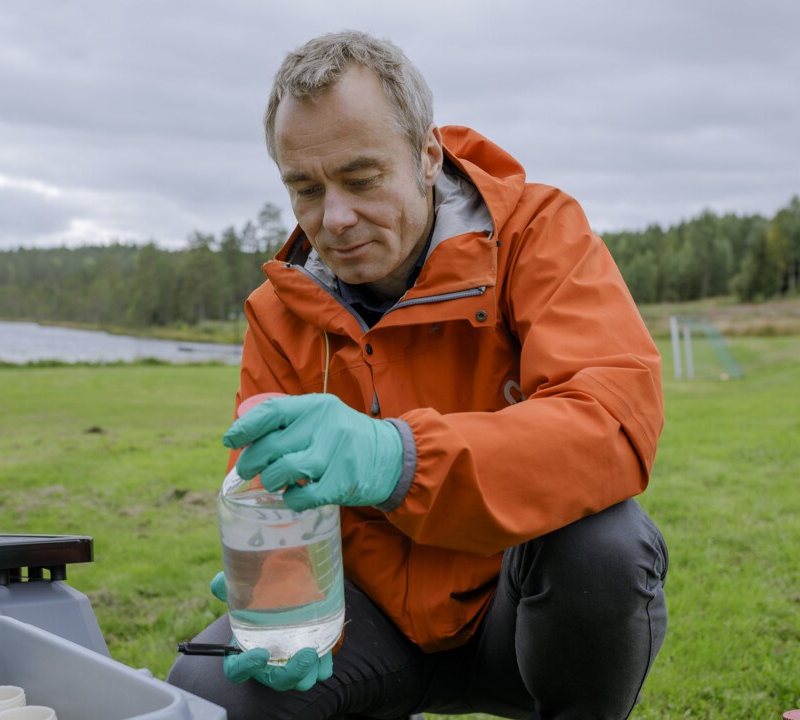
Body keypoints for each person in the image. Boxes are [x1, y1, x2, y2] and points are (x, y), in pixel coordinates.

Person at [167, 30, 669, 720]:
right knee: (210, 699)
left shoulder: (535, 236)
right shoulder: (276, 313)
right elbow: (264, 490)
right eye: (305, 189)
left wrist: (397, 456)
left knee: (604, 547)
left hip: (517, 608)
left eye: (362, 179)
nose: (334, 219)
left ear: (428, 156)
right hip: (362, 623)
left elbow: (612, 421)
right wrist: (282, 600)